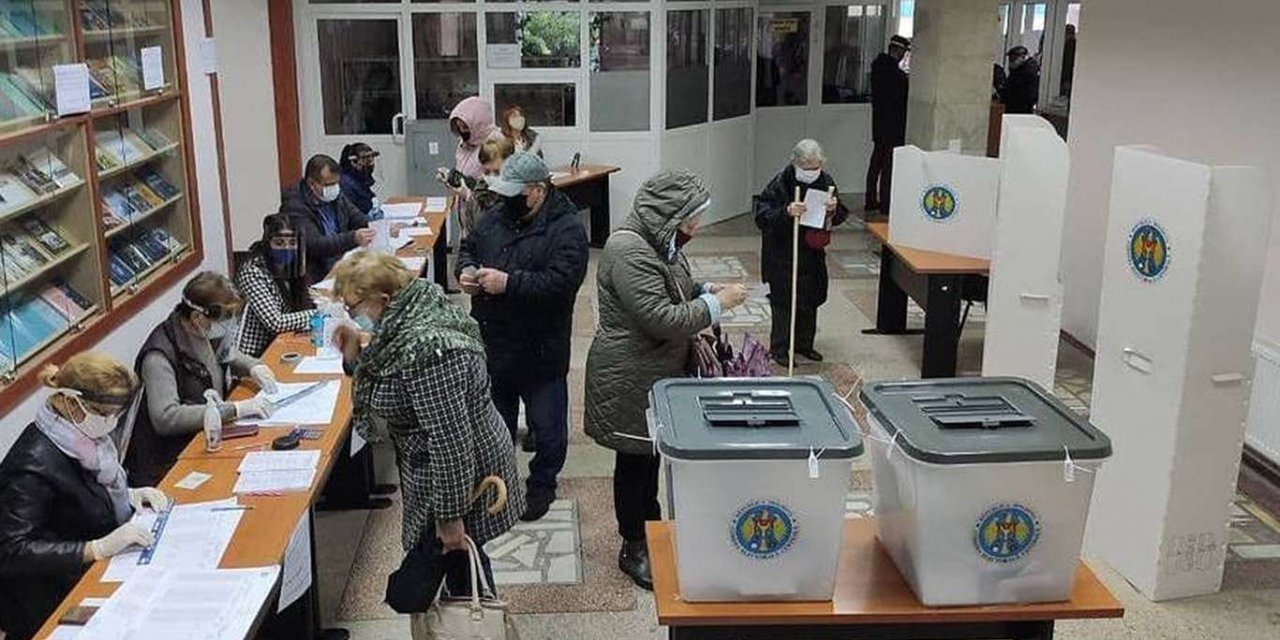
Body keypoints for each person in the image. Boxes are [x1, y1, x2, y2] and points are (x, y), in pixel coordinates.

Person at [584, 170, 749, 590]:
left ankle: (651, 526)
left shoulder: (660, 240)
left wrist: (704, 287)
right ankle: (633, 544)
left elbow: (675, 285)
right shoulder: (627, 249)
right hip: (630, 373)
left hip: (654, 371)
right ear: (669, 213)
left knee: (651, 456)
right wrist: (715, 304)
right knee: (635, 460)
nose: (696, 226)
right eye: (692, 218)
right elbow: (661, 318)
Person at [330, 250, 524, 594]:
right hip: (442, 468)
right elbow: (388, 368)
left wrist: (449, 518)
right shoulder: (411, 312)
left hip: (464, 473)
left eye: (353, 307)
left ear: (383, 299)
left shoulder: (428, 349)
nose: (352, 316)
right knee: (463, 568)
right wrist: (356, 357)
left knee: (462, 563)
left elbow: (449, 441)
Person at [457, 152, 588, 522]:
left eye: (517, 193)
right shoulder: (497, 214)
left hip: (541, 345)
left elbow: (561, 284)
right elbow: (469, 245)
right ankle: (498, 484)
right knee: (495, 425)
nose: (508, 199)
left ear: (538, 190)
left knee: (548, 430)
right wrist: (465, 270)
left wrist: (509, 283)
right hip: (495, 341)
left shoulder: (567, 228)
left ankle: (543, 483)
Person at [0, 354, 170, 640]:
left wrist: (127, 496)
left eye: (117, 414)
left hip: (93, 571)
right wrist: (95, 549)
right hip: (52, 595)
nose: (111, 422)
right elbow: (11, 550)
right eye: (103, 413)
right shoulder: (30, 467)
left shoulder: (82, 440)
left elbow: (76, 498)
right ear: (69, 401)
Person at [126, 272, 278, 486]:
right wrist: (233, 409)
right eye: (226, 319)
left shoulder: (207, 331)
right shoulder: (159, 356)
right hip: (171, 460)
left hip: (209, 437)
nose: (231, 325)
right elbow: (166, 418)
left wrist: (254, 367)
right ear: (198, 318)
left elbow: (227, 354)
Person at [755, 139, 849, 366]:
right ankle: (780, 349)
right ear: (796, 163)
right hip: (782, 254)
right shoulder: (780, 183)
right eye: (807, 168)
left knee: (810, 299)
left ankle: (804, 344)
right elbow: (762, 215)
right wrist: (786, 211)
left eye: (815, 167)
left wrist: (834, 210)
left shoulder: (825, 181)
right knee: (783, 302)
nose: (812, 172)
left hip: (812, 252)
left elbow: (841, 214)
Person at [281, 154, 375, 284]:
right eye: (328, 184)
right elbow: (314, 245)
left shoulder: (336, 196)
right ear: (311, 184)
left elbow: (356, 217)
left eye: (336, 183)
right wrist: (353, 238)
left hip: (342, 262)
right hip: (318, 272)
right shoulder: (295, 205)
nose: (334, 188)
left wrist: (378, 226)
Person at [235, 213, 315, 358]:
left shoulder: (293, 267)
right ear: (268, 243)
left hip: (283, 343)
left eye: (292, 243)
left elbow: (304, 300)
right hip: (255, 356)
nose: (286, 248)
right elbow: (275, 322)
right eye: (279, 243)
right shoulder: (252, 271)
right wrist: (316, 314)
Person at [867, 34, 910, 213]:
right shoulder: (895, 74)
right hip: (893, 127)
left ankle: (870, 200)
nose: (903, 56)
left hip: (879, 126)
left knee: (876, 163)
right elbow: (901, 97)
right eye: (903, 52)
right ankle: (885, 204)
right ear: (898, 51)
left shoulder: (878, 69)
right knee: (888, 167)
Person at [459, 138, 515, 239]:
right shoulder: (477, 195)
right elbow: (470, 234)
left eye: (497, 172)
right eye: (487, 172)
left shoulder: (518, 195)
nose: (491, 177)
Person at [339, 142, 383, 219]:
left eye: (372, 159)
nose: (371, 164)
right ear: (353, 162)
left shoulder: (359, 179)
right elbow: (354, 214)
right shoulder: (347, 184)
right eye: (366, 160)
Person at [1000, 45, 1041, 114]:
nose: (1011, 61)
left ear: (1023, 57)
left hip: (1020, 110)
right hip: (1015, 108)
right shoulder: (1017, 70)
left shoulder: (1027, 72)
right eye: (1010, 59)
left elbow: (1028, 95)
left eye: (1013, 58)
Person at [1060, 24, 1077, 98]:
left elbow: (1067, 64)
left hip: (1066, 78)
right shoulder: (1074, 44)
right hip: (1069, 77)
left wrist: (1065, 79)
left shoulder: (1070, 45)